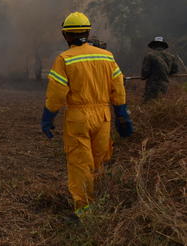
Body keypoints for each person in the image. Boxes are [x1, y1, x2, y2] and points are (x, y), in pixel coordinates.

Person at [40, 12, 133, 218]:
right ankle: (103, 203)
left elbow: (56, 95)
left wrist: (47, 118)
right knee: (101, 160)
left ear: (66, 36)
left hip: (78, 118)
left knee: (80, 163)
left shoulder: (64, 59)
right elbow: (118, 89)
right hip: (103, 117)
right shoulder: (107, 57)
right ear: (89, 32)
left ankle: (84, 212)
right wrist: (122, 115)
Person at [141, 36, 179, 102]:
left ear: (153, 45)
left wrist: (144, 77)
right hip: (164, 85)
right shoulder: (171, 57)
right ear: (163, 46)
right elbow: (175, 71)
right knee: (161, 103)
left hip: (152, 87)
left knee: (149, 105)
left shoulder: (149, 56)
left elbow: (145, 73)